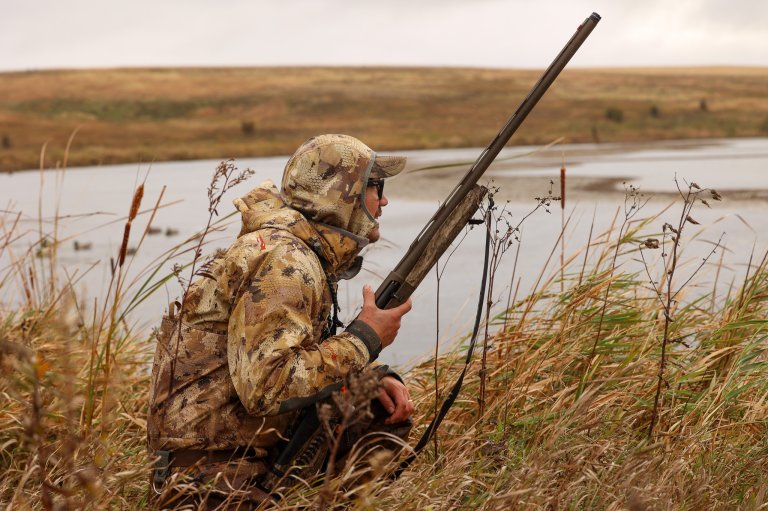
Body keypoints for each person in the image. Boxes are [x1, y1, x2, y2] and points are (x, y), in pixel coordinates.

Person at [147, 134, 414, 509]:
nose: (383, 200)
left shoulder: (290, 250)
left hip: (234, 458)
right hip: (210, 481)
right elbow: (267, 387)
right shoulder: (285, 262)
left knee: (373, 406)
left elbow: (281, 360)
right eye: (375, 186)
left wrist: (366, 375)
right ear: (343, 195)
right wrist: (364, 339)